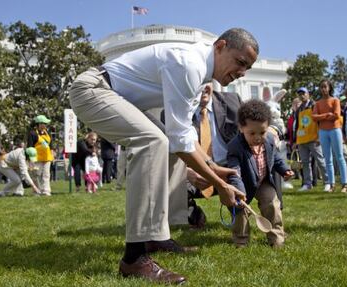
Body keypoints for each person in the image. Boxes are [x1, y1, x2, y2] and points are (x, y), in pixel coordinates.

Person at [69, 28, 257, 284]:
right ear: (221, 46)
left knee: (165, 141)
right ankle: (133, 258)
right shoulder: (188, 64)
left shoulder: (200, 75)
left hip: (116, 96)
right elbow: (181, 140)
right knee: (152, 141)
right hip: (93, 89)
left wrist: (214, 168)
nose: (242, 72)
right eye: (240, 62)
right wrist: (219, 184)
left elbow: (184, 135)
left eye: (248, 68)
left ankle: (154, 238)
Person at [227, 99, 294, 248]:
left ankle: (276, 238)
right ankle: (241, 240)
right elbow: (234, 172)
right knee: (240, 210)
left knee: (272, 204)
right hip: (242, 184)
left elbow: (275, 158)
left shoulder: (269, 140)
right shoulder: (235, 147)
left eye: (262, 132)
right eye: (252, 133)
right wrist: (239, 191)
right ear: (241, 128)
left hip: (263, 181)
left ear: (268, 128)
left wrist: (284, 170)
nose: (258, 137)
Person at [187, 82, 242, 228]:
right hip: (196, 170)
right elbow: (170, 153)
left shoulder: (233, 102)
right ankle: (195, 216)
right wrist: (185, 172)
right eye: (197, 81)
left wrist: (274, 130)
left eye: (206, 81)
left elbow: (258, 124)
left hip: (228, 168)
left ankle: (241, 221)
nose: (203, 87)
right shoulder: (174, 111)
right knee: (169, 181)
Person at [312, 80, 347, 193]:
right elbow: (313, 117)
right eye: (321, 87)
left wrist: (321, 117)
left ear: (329, 88)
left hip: (335, 130)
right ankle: (331, 184)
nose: (323, 89)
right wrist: (327, 115)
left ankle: (344, 184)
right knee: (327, 159)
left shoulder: (335, 100)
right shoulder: (317, 103)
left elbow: (337, 115)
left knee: (339, 157)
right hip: (323, 132)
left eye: (325, 87)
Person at [294, 87, 329, 192]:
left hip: (314, 138)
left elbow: (320, 121)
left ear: (308, 94)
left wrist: (320, 136)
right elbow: (298, 126)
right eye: (300, 94)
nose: (302, 95)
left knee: (320, 160)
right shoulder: (299, 109)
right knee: (305, 163)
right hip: (302, 139)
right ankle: (307, 184)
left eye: (303, 93)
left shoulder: (314, 105)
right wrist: (296, 140)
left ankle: (328, 182)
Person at [27, 115, 54, 196]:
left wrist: (52, 155)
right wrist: (30, 160)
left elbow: (51, 145)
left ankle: (46, 191)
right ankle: (36, 191)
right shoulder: (32, 133)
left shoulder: (47, 133)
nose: (45, 125)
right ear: (39, 124)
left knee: (46, 174)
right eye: (44, 123)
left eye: (46, 124)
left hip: (47, 157)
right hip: (37, 158)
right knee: (36, 174)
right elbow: (30, 146)